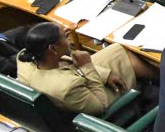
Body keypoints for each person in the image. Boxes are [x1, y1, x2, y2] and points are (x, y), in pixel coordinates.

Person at [16, 22, 153, 115]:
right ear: (52, 48)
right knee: (131, 60)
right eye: (65, 37)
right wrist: (87, 66)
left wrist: (105, 74)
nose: (68, 39)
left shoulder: (25, 57)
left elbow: (65, 64)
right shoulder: (67, 87)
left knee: (119, 51)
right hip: (94, 97)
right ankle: (164, 79)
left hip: (75, 75)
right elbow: (100, 106)